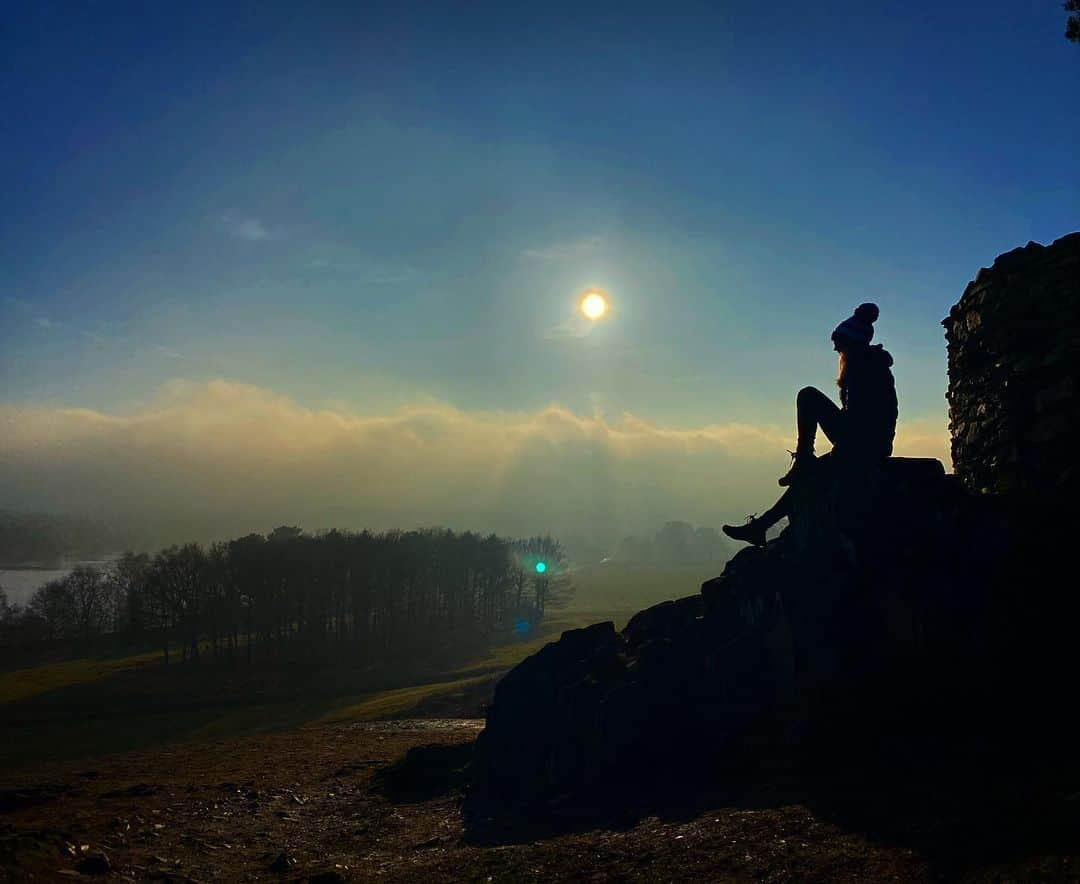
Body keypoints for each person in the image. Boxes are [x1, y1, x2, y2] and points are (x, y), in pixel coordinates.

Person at [722, 303, 898, 546]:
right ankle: (797, 470)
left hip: (865, 446)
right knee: (808, 404)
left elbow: (866, 421)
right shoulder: (866, 367)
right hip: (859, 440)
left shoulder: (867, 371)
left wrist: (842, 451)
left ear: (852, 343)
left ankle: (765, 520)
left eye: (839, 342)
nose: (835, 347)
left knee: (808, 401)